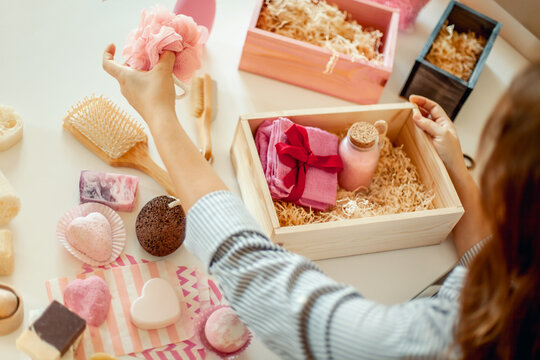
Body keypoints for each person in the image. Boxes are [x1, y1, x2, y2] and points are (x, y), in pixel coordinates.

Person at [102, 44, 539, 359]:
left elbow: (267, 286)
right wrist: (458, 175)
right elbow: (489, 260)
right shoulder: (514, 281)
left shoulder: (443, 342)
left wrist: (160, 116)